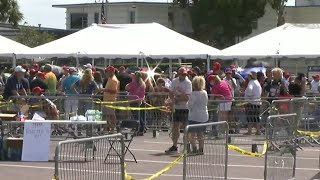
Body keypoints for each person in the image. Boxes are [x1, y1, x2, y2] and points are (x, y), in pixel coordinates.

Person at [165, 67, 192, 154]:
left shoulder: (188, 83)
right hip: (176, 108)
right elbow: (171, 92)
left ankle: (187, 145)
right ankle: (174, 145)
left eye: (185, 74)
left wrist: (176, 99)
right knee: (175, 126)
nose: (183, 76)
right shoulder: (174, 81)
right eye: (182, 74)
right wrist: (172, 100)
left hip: (185, 108)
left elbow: (187, 97)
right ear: (178, 74)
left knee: (185, 127)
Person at [187, 76, 208, 154]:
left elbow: (189, 105)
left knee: (191, 134)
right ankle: (201, 149)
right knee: (200, 134)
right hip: (203, 116)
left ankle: (194, 148)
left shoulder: (193, 94)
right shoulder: (205, 93)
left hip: (195, 116)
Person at [126, 71, 146, 135]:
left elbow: (126, 87)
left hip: (134, 101)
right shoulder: (142, 83)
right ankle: (142, 129)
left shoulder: (133, 83)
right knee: (141, 116)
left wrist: (132, 81)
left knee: (137, 116)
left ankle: (139, 129)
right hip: (141, 101)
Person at [103, 66, 119, 133]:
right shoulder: (110, 78)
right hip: (107, 100)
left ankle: (112, 128)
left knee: (112, 115)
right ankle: (107, 128)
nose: (106, 73)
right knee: (107, 115)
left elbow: (114, 91)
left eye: (108, 71)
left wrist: (104, 89)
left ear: (112, 72)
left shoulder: (113, 80)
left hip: (111, 100)